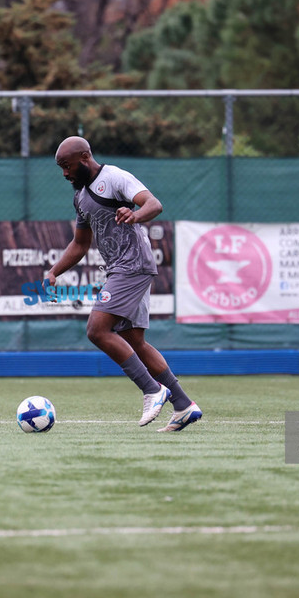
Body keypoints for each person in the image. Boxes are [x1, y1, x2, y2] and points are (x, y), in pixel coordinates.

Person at [48, 136, 202, 432]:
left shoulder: (115, 178)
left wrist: (135, 214)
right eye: (61, 168)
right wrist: (54, 271)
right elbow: (80, 244)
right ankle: (184, 405)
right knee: (134, 341)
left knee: (97, 330)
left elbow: (153, 204)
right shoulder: (80, 197)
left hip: (132, 265)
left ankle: (152, 389)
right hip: (121, 268)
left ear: (84, 157)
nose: (65, 173)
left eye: (67, 166)